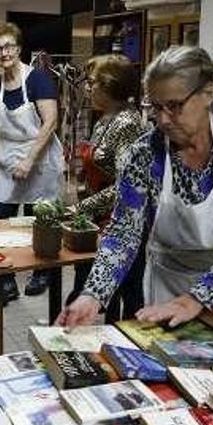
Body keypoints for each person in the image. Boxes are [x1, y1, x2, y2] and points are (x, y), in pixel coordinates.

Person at [56, 46, 213, 328]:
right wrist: (93, 293)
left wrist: (198, 296)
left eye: (174, 106)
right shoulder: (144, 154)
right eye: (155, 107)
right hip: (170, 291)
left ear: (208, 93)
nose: (162, 119)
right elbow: (124, 232)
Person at [0, 22, 63, 301]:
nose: (3, 52)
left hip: (39, 158)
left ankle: (42, 271)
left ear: (18, 48)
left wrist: (30, 159)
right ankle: (5, 277)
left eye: (8, 46)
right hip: (7, 159)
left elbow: (51, 121)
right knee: (2, 221)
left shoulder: (38, 79)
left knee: (39, 219)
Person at [66, 54, 148, 322]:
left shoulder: (127, 124)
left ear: (111, 85)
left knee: (126, 295)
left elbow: (127, 186)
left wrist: (81, 206)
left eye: (92, 83)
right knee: (90, 289)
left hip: (120, 221)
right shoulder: (103, 119)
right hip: (96, 218)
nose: (87, 88)